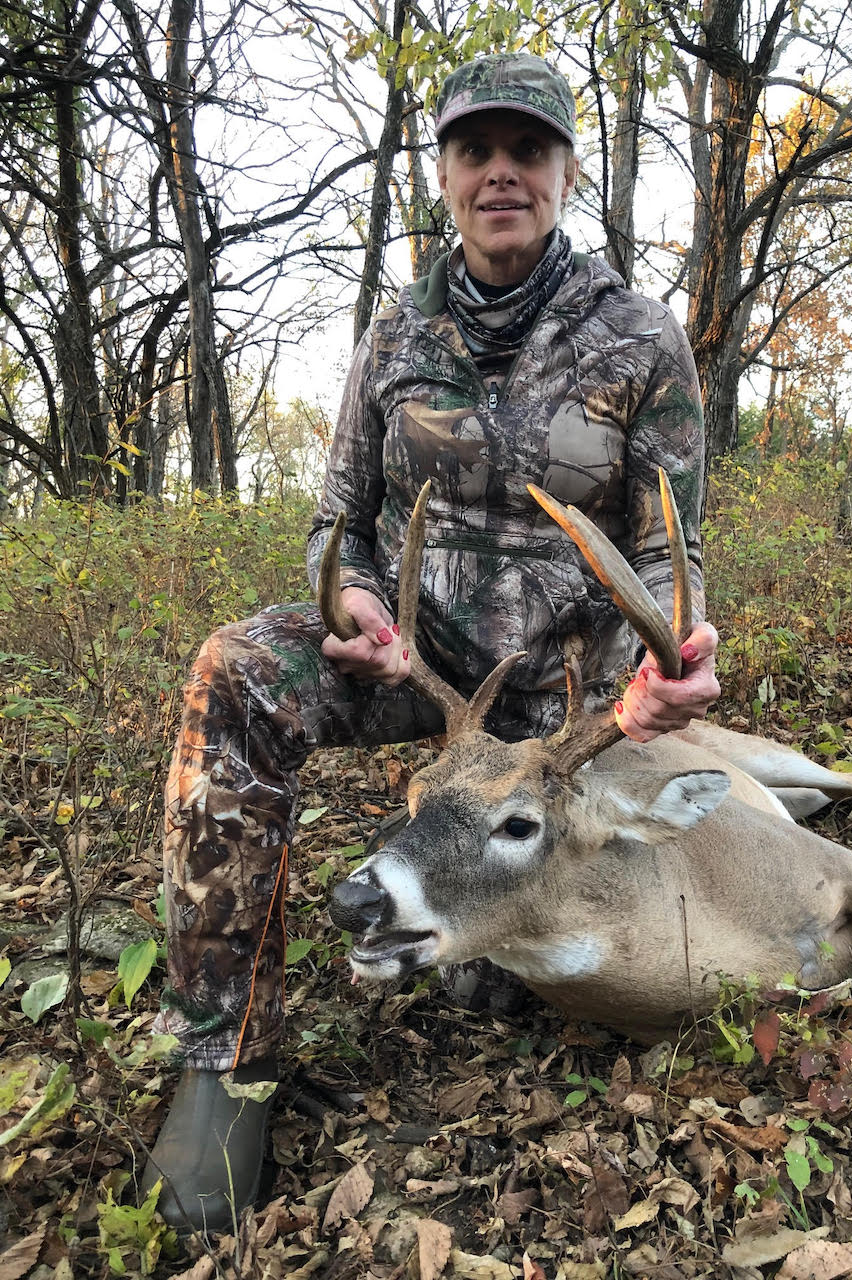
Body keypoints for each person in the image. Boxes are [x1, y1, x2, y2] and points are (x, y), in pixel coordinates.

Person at [143, 51, 720, 1235]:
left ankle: (498, 920)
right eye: (476, 151)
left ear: (566, 172)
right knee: (235, 674)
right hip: (424, 668)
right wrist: (357, 600)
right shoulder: (397, 330)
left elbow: (670, 541)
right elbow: (337, 517)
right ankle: (223, 1054)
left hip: (567, 703)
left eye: (529, 150)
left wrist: (678, 652)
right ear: (447, 174)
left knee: (501, 988)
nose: (502, 171)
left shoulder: (637, 337)